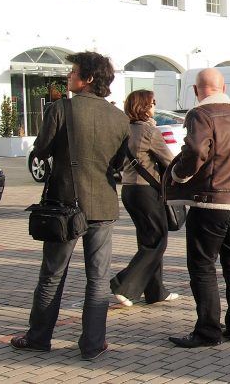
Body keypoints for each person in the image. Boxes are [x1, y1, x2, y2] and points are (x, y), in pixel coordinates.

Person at [11, 52, 129, 361]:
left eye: (73, 72)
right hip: (102, 204)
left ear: (88, 78)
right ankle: (92, 344)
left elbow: (42, 149)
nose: (68, 76)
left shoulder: (61, 108)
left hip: (65, 204)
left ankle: (38, 338)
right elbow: (121, 162)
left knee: (52, 274)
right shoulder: (118, 117)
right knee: (98, 278)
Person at [168, 68, 230, 347]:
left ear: (196, 91)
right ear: (223, 87)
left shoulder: (201, 114)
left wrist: (179, 175)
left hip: (213, 202)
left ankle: (207, 331)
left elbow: (194, 150)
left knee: (203, 266)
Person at [110, 90, 178, 307]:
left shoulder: (124, 129)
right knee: (158, 240)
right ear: (144, 106)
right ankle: (124, 284)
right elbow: (169, 160)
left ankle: (155, 290)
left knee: (147, 239)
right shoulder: (149, 131)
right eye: (153, 103)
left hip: (129, 189)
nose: (155, 106)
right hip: (147, 190)